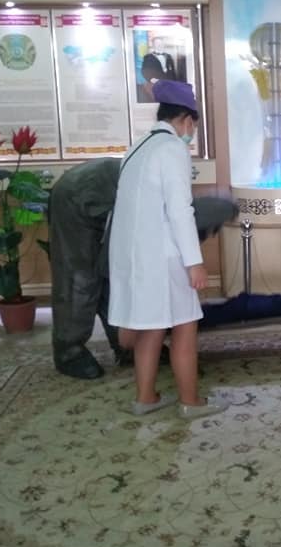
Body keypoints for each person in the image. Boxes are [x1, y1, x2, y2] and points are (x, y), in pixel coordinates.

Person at [49, 157, 239, 380]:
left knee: (115, 283)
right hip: (76, 197)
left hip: (109, 198)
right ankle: (69, 352)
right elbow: (116, 262)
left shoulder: (176, 208)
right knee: (80, 278)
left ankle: (128, 348)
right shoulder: (154, 213)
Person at [108, 79, 227, 419]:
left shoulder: (139, 146)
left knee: (152, 326)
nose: (191, 135)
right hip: (164, 257)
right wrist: (194, 262)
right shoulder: (172, 148)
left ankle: (145, 398)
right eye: (193, 128)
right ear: (186, 120)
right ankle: (191, 402)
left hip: (134, 257)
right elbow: (180, 210)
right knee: (185, 327)